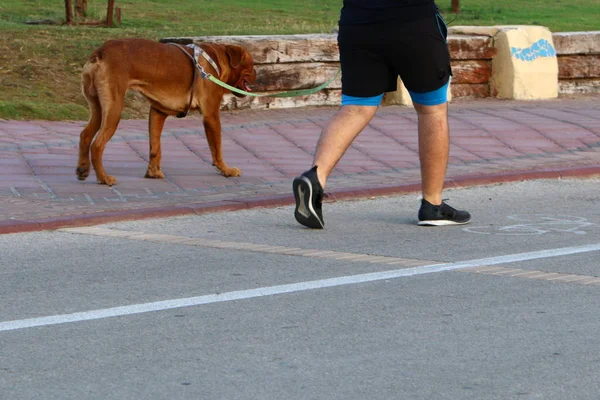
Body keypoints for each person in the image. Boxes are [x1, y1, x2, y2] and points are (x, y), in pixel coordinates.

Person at [292, 0, 471, 229]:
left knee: (356, 107)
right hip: (414, 21)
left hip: (358, 23)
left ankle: (316, 176)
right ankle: (432, 204)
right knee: (431, 110)